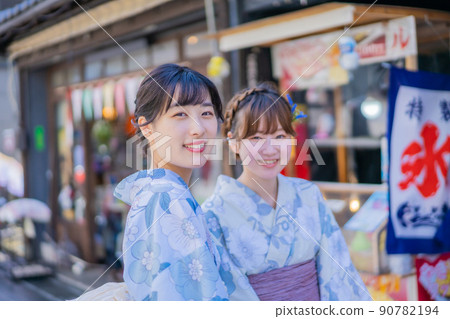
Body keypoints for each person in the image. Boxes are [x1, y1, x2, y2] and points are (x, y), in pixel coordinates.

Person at [76, 63, 249, 301]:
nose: (198, 129)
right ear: (147, 127)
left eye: (206, 113)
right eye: (180, 114)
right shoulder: (166, 197)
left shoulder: (164, 192)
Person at [201, 83, 372, 301]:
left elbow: (337, 271)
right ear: (234, 142)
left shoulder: (308, 195)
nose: (270, 148)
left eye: (280, 136)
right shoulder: (213, 214)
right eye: (256, 138)